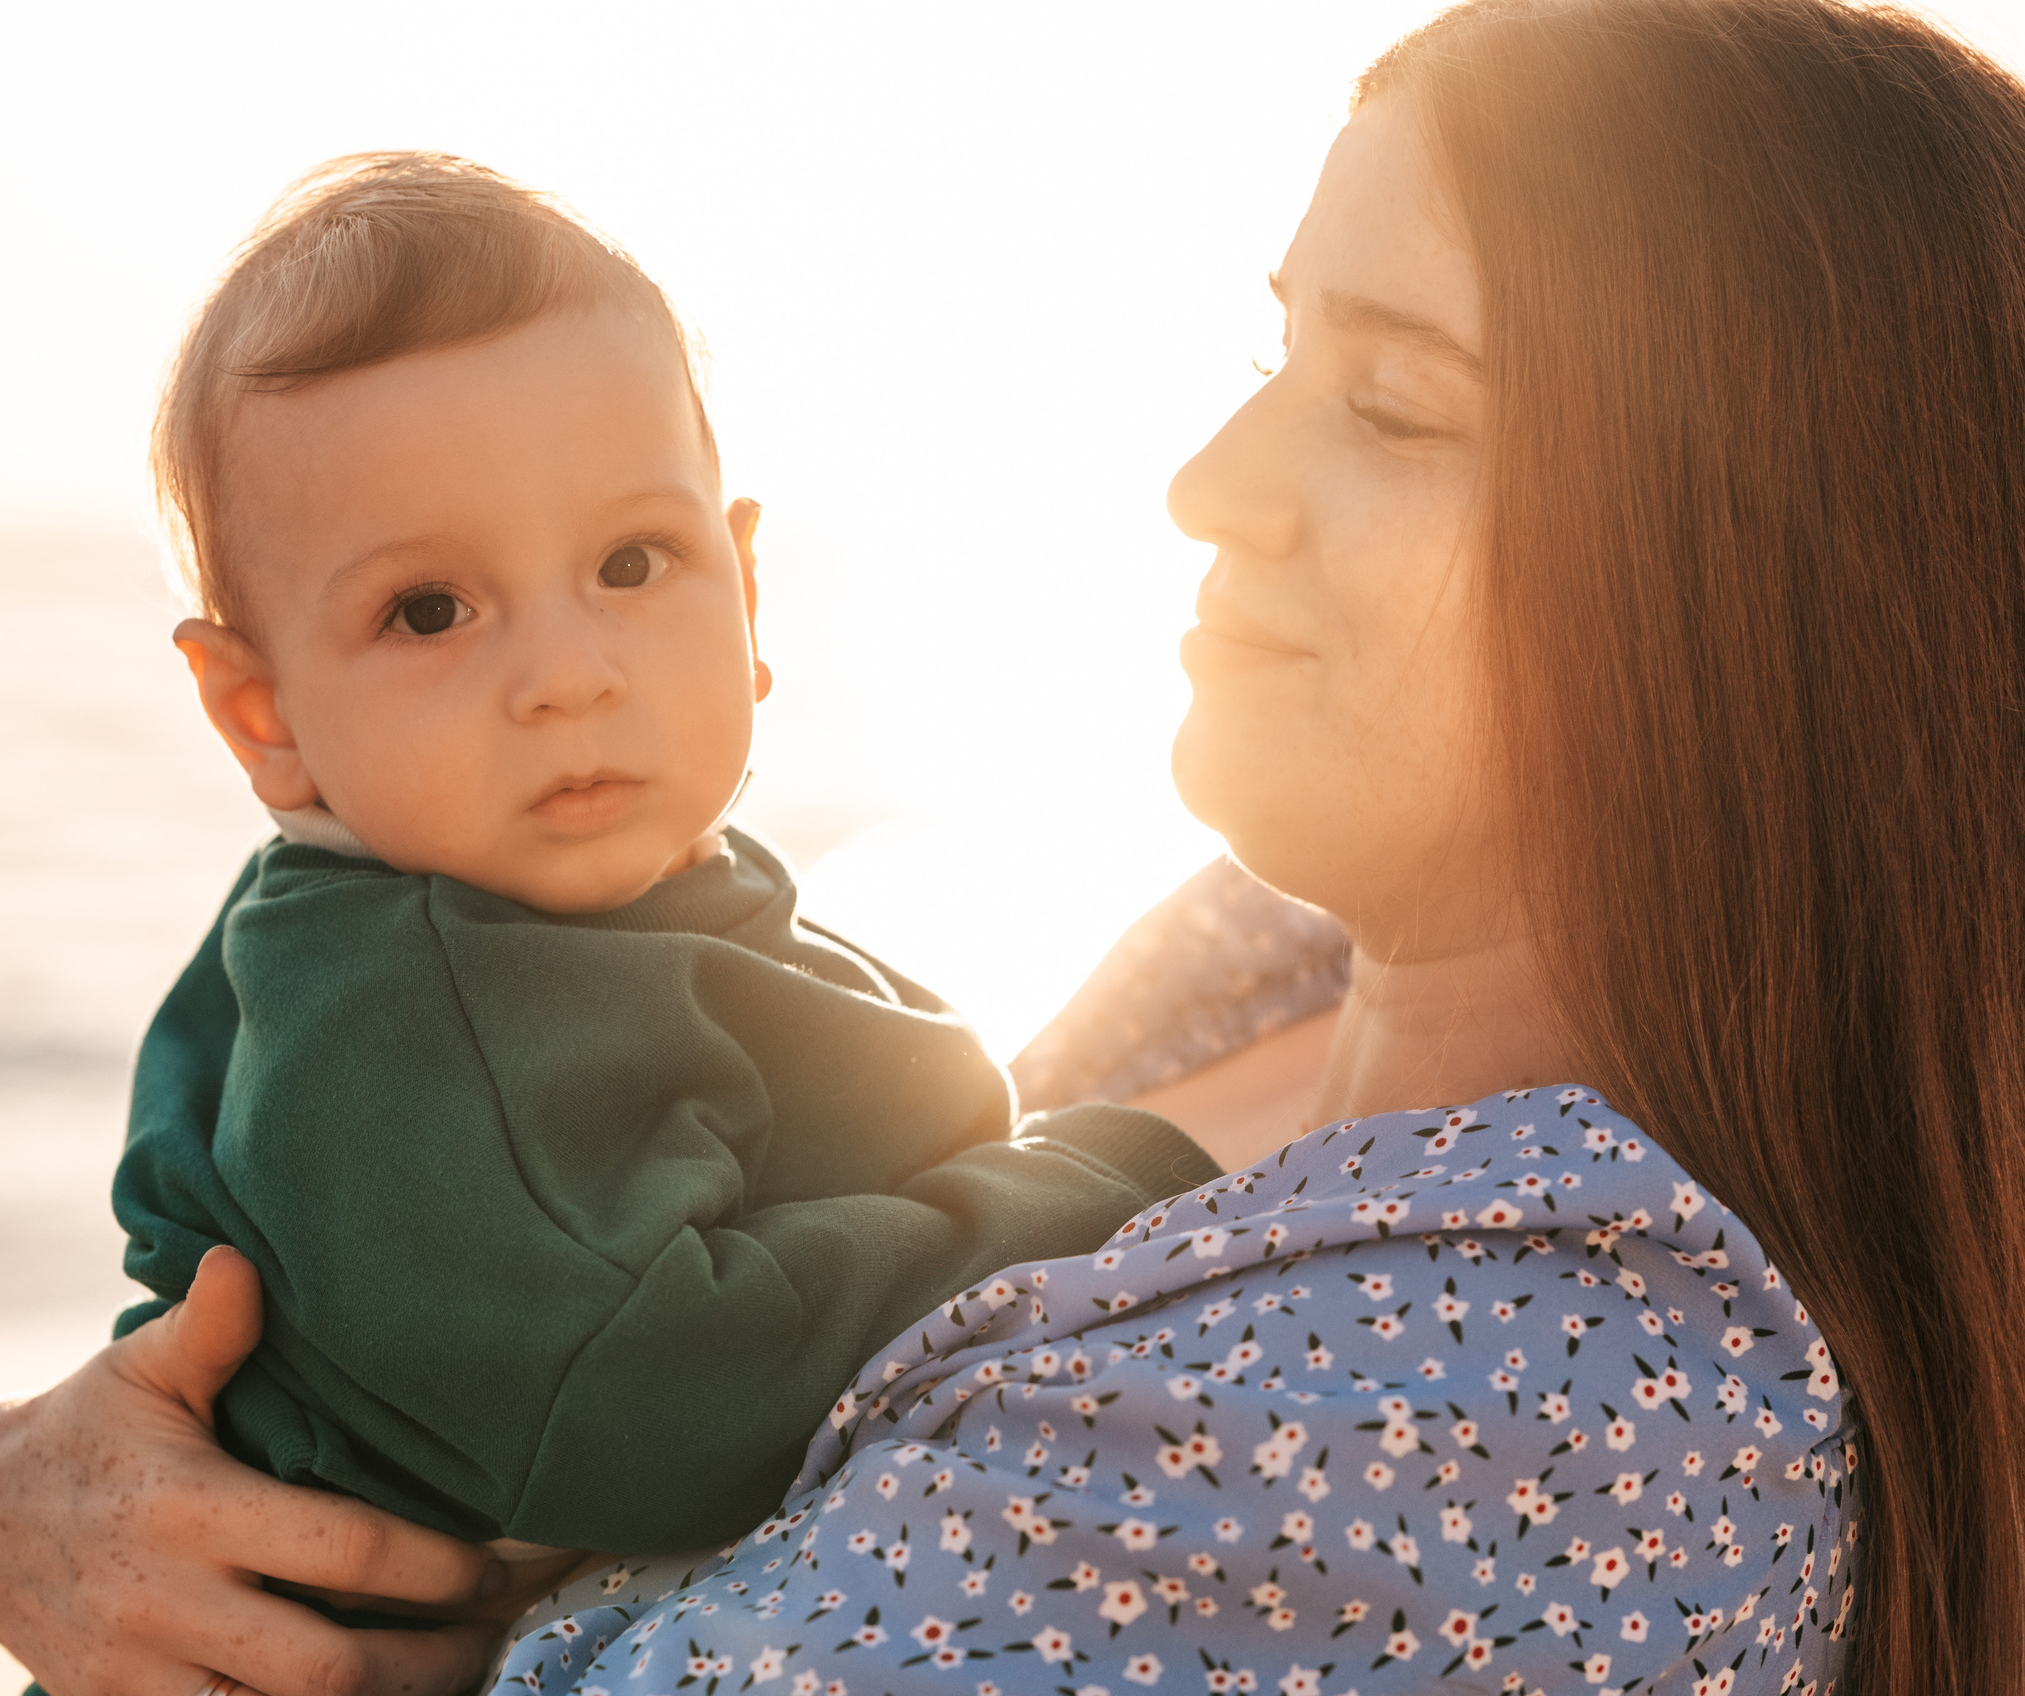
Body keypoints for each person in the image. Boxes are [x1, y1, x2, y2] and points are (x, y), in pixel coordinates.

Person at [0, 0, 2025, 1693]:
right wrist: (26, 1507)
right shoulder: (1267, 956)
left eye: (1388, 405)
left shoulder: (1534, 1388)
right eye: (1275, 351)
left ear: (1752, 566)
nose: (1209, 478)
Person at [113, 151, 1215, 1581]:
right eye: (431, 610)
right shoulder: (398, 1014)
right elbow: (644, 1403)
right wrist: (1099, 1189)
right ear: (262, 717)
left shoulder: (620, 898)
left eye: (634, 564)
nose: (568, 675)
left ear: (745, 589)